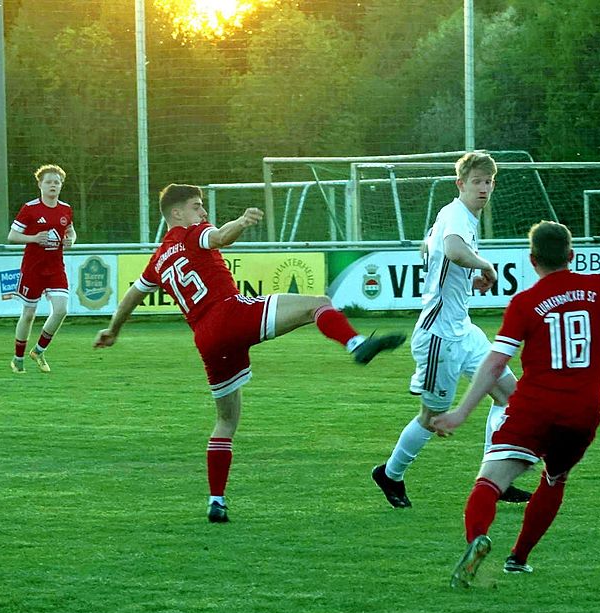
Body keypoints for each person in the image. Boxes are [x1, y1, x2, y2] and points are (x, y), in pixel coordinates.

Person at [93, 184, 405, 523]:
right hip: (231, 314)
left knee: (226, 420)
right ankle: (356, 345)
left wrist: (114, 330)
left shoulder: (158, 259)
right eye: (197, 206)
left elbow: (132, 296)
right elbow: (219, 237)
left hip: (207, 339)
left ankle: (216, 500)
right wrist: (241, 222)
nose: (203, 212)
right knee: (319, 304)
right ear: (176, 214)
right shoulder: (191, 232)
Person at [431, 220, 600, 588]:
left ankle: (477, 537)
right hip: (582, 414)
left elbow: (494, 364)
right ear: (571, 255)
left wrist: (460, 412)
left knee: (491, 480)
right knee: (554, 477)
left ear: (532, 259)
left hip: (534, 408)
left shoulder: (525, 303)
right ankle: (518, 559)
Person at [370, 151, 530, 509]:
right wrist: (484, 265)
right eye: (477, 181)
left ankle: (495, 481)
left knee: (510, 396)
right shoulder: (456, 214)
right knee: (431, 418)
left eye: (489, 182)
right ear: (461, 184)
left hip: (463, 329)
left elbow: (431, 248)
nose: (484, 188)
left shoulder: (456, 215)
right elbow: (453, 249)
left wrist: (467, 276)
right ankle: (390, 474)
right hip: (439, 335)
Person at [8, 164, 76, 374]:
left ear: (61, 185)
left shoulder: (66, 209)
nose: (53, 185)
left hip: (55, 268)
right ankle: (18, 358)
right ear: (40, 184)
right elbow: (12, 236)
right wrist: (34, 238)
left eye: (57, 182)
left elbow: (71, 232)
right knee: (28, 314)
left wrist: (70, 240)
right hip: (33, 268)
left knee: (62, 310)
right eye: (49, 182)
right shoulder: (30, 209)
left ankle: (38, 351)